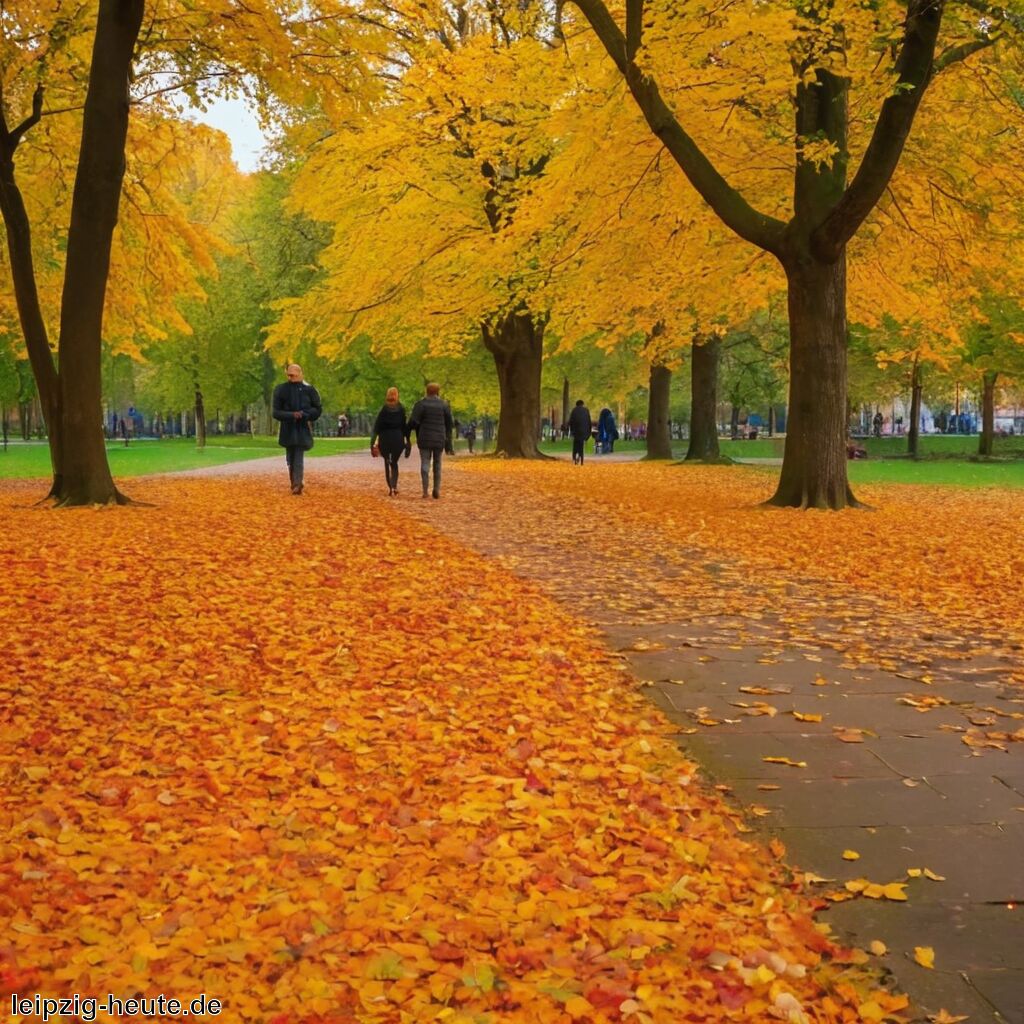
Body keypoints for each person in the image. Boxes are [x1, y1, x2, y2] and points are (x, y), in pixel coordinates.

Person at [272, 363, 322, 495]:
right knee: (290, 457)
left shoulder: (310, 390)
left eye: (293, 375)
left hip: (302, 427)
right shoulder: (281, 390)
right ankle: (294, 481)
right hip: (287, 428)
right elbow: (276, 412)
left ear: (300, 374)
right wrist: (291, 415)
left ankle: (297, 483)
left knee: (298, 455)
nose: (290, 378)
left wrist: (304, 414)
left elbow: (317, 409)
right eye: (288, 375)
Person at [408, 382, 453, 499]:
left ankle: (425, 491)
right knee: (437, 464)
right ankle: (436, 489)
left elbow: (413, 421)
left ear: (426, 391)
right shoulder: (444, 405)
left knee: (425, 463)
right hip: (439, 439)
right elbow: (449, 424)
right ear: (438, 392)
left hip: (424, 438)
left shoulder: (421, 404)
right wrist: (448, 440)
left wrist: (409, 430)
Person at [370, 387, 409, 496]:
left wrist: (372, 443)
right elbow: (404, 426)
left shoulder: (384, 409)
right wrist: (407, 441)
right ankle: (394, 485)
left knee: (387, 461)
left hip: (385, 437)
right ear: (397, 395)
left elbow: (377, 427)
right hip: (397, 437)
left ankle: (390, 487)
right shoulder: (401, 409)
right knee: (394, 462)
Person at [568, 399, 592, 465]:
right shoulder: (586, 410)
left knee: (576, 444)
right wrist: (589, 432)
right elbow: (589, 422)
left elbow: (571, 421)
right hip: (584, 431)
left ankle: (574, 456)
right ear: (582, 404)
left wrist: (571, 430)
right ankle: (581, 458)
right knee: (581, 444)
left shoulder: (574, 410)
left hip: (576, 431)